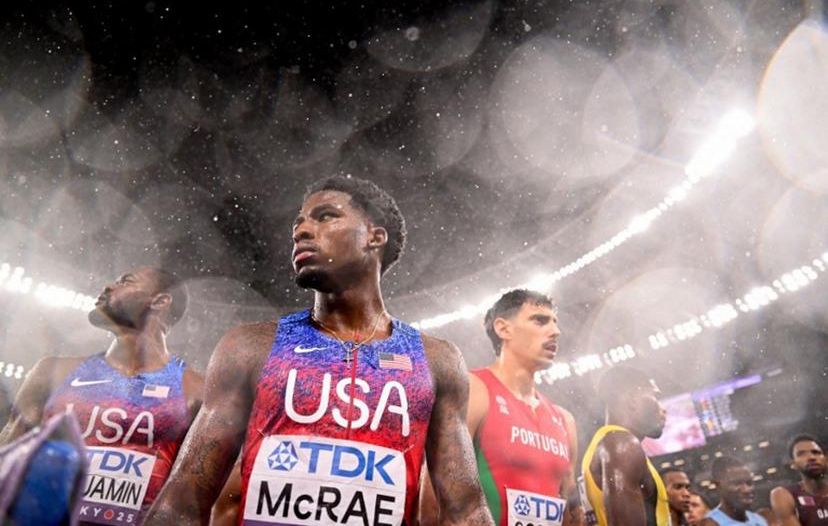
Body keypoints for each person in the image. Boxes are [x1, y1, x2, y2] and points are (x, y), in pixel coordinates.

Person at [144, 175, 494, 525]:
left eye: (325, 216)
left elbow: (465, 510)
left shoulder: (436, 360)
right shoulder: (249, 347)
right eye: (298, 223)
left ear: (375, 237)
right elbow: (184, 499)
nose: (301, 231)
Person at [0, 266, 203, 525]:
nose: (108, 286)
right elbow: (6, 458)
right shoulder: (52, 373)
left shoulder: (195, 390)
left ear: (160, 301)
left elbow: (195, 495)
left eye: (125, 281)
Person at [422, 289, 579, 525]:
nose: (555, 331)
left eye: (555, 322)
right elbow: (432, 498)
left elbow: (572, 510)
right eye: (540, 320)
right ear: (503, 329)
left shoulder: (565, 420)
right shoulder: (474, 390)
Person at [578, 364, 670, 526]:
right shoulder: (622, 445)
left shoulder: (607, 443)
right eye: (656, 397)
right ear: (633, 399)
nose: (663, 409)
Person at [770, 434, 828, 525]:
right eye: (801, 454)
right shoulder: (784, 495)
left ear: (826, 459)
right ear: (793, 464)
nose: (811, 457)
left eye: (816, 452)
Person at [699, 457, 767, 526]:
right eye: (737, 483)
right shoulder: (710, 523)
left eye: (749, 483)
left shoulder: (759, 520)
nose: (746, 490)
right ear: (718, 486)